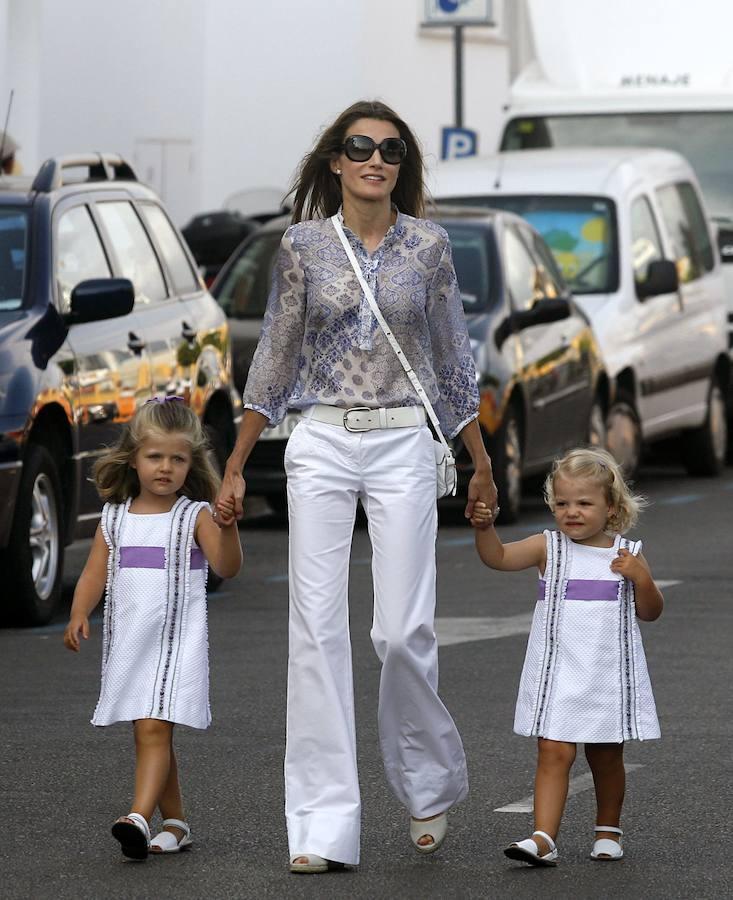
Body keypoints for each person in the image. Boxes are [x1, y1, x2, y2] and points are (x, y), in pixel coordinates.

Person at [215, 99, 498, 873]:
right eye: (359, 147)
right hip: (320, 442)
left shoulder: (430, 248)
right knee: (315, 633)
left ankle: (425, 782)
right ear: (335, 162)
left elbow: (450, 361)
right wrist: (237, 460)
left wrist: (477, 456)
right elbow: (274, 352)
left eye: (391, 150)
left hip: (405, 437)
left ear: (402, 168)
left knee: (400, 631)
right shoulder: (303, 245)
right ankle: (320, 826)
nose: (375, 159)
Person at [63, 397, 242, 860]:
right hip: (132, 641)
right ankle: (176, 823)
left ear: (192, 463)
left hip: (176, 644)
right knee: (150, 731)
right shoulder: (116, 517)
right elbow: (92, 574)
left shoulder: (193, 516)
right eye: (155, 457)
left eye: (178, 459)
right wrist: (79, 611)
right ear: (134, 457)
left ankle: (138, 817)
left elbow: (226, 564)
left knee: (153, 729)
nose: (166, 468)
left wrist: (229, 528)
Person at [471, 447, 663, 866]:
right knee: (553, 750)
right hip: (557, 671)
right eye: (562, 503)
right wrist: (484, 528)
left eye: (584, 503)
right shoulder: (547, 548)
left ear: (610, 507)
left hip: (606, 674)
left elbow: (650, 611)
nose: (571, 512)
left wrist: (641, 577)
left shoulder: (626, 553)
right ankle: (543, 837)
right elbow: (498, 558)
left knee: (606, 755)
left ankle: (608, 829)